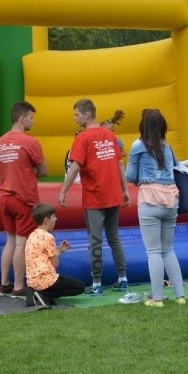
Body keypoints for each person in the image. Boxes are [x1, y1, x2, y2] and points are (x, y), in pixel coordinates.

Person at [58, 99, 130, 295]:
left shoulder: (82, 138)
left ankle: (97, 283)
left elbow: (74, 168)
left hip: (95, 197)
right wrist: (124, 190)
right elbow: (118, 165)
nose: (75, 118)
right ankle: (123, 278)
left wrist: (64, 190)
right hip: (113, 194)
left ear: (86, 115)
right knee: (114, 237)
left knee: (95, 240)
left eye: (76, 115)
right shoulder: (109, 135)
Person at [125, 109, 187, 307]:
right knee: (168, 249)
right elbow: (176, 169)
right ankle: (180, 296)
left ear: (143, 126)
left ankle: (157, 298)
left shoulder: (138, 146)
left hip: (150, 200)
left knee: (153, 252)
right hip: (171, 200)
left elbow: (130, 176)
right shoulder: (167, 147)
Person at [0, 101, 47, 300]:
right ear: (22, 118)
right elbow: (43, 170)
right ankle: (18, 287)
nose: (32, 121)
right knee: (21, 244)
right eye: (31, 118)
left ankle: (3, 285)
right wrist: (31, 172)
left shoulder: (1, 141)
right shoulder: (29, 142)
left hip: (5, 196)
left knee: (10, 242)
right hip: (23, 198)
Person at [24, 203, 85, 308]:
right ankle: (43, 294)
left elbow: (44, 257)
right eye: (53, 217)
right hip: (46, 280)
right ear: (46, 220)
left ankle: (36, 291)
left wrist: (60, 250)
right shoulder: (48, 237)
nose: (56, 219)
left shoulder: (32, 235)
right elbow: (55, 264)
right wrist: (58, 252)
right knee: (79, 287)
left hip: (32, 280)